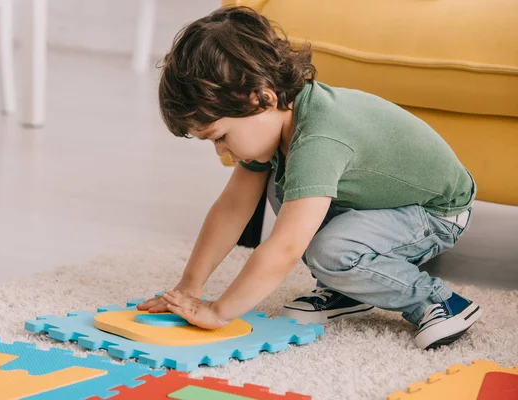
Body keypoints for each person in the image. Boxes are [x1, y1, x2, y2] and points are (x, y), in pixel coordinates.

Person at [137, 6, 481, 350]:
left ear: (262, 98)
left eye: (220, 136)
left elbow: (286, 247)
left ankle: (438, 301)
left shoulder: (318, 139)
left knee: (330, 252)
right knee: (281, 188)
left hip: (435, 212)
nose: (220, 152)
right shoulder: (276, 124)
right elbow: (232, 209)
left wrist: (220, 312)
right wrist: (189, 287)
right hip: (373, 203)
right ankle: (347, 290)